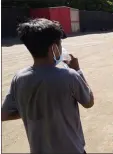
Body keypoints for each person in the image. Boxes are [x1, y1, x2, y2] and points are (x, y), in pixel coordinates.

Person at [1, 18, 94, 153]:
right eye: (60, 43)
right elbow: (89, 102)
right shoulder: (70, 76)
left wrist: (32, 110)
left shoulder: (19, 79)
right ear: (54, 48)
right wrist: (78, 70)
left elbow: (4, 114)